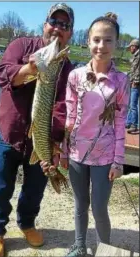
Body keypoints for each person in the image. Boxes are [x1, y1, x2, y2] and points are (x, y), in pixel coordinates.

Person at [0, 3, 74, 257]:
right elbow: (3, 74)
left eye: (65, 25)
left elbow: (61, 108)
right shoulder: (21, 46)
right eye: (54, 22)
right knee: (0, 187)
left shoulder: (65, 67)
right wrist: (30, 69)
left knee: (35, 189)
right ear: (45, 24)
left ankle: (27, 223)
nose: (58, 28)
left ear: (70, 32)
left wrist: (53, 147)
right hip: (8, 133)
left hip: (40, 140)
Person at [59, 12, 130, 257]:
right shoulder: (75, 76)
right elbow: (70, 118)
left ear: (116, 44)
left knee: (99, 208)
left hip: (104, 156)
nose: (102, 46)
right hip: (77, 152)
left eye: (108, 40)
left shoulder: (122, 80)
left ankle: (104, 249)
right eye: (97, 39)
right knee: (80, 205)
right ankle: (79, 245)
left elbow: (120, 123)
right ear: (88, 41)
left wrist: (118, 160)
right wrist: (64, 151)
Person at [125, 39, 139, 133]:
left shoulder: (138, 56)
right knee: (130, 104)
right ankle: (129, 122)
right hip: (133, 82)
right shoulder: (136, 56)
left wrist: (136, 81)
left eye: (131, 47)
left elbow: (138, 70)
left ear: (134, 46)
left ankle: (134, 125)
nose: (130, 49)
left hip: (136, 83)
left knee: (133, 105)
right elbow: (133, 70)